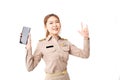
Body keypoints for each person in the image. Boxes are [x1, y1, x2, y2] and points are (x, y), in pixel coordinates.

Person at [25, 13, 90, 80]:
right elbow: (30, 67)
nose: (55, 25)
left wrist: (86, 38)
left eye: (57, 22)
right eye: (51, 23)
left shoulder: (66, 42)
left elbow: (85, 54)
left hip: (66, 78)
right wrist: (29, 48)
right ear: (45, 26)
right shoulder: (42, 43)